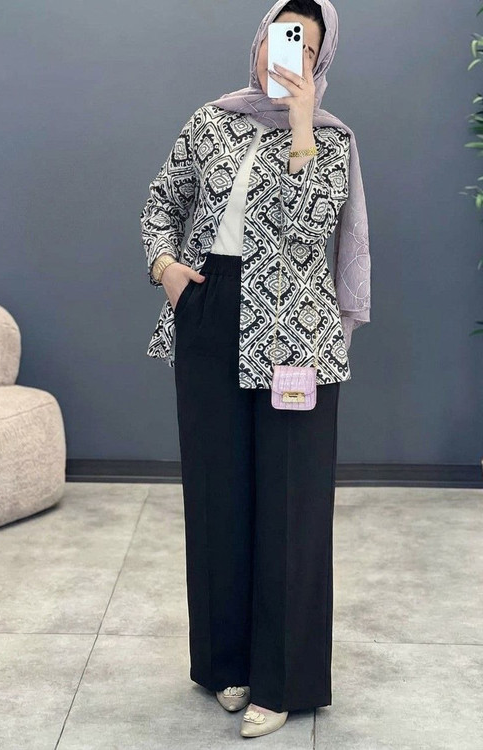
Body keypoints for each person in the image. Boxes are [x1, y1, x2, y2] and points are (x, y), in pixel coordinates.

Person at [140, 0, 370, 738]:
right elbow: (161, 202)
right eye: (281, 35)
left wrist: (301, 130)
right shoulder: (211, 120)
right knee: (217, 494)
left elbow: (310, 233)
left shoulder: (331, 138)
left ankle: (284, 680)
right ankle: (227, 665)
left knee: (291, 505)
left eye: (305, 42)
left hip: (295, 330)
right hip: (209, 310)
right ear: (261, 40)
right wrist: (167, 269)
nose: (287, 52)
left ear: (322, 57)